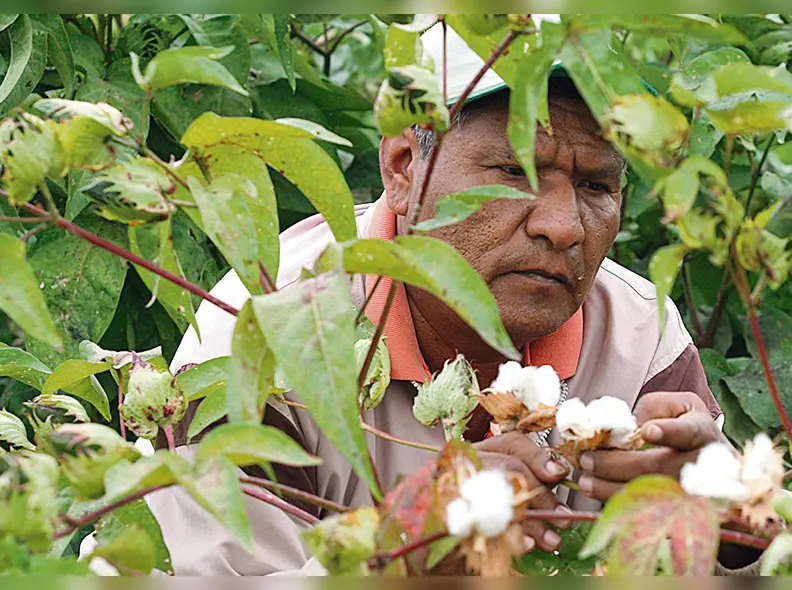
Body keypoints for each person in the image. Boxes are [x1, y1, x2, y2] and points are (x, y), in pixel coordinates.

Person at [149, 23, 756, 576]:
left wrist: (728, 510)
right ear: (404, 169)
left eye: (596, 185)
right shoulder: (261, 336)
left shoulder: (639, 332)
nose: (564, 226)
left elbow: (752, 551)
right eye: (515, 172)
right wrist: (410, 553)